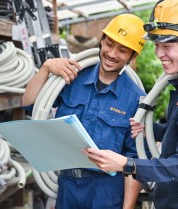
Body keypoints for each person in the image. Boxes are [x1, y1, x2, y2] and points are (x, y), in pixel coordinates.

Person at [83, 0, 178, 209]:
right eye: (157, 44)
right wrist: (151, 130)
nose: (159, 54)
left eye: (167, 46)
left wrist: (127, 164)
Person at [22, 14, 147, 209]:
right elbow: (29, 104)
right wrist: (46, 68)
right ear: (101, 41)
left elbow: (135, 161)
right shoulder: (71, 77)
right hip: (68, 184)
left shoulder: (135, 98)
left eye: (122, 50)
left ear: (133, 56)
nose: (112, 54)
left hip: (106, 189)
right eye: (109, 44)